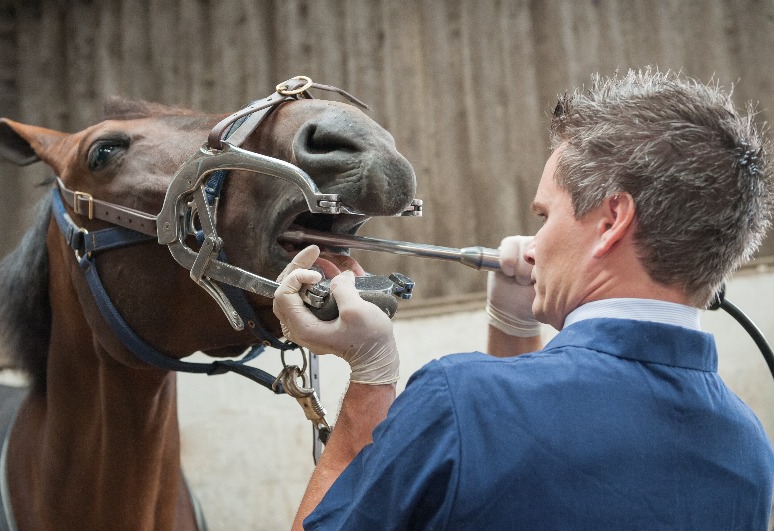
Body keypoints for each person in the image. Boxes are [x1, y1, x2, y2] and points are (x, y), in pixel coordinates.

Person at [273, 69, 774, 529]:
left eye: (544, 216)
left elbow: (514, 434)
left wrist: (370, 374)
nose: (534, 245)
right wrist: (513, 327)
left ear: (613, 221)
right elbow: (534, 451)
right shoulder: (748, 453)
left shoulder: (456, 400)